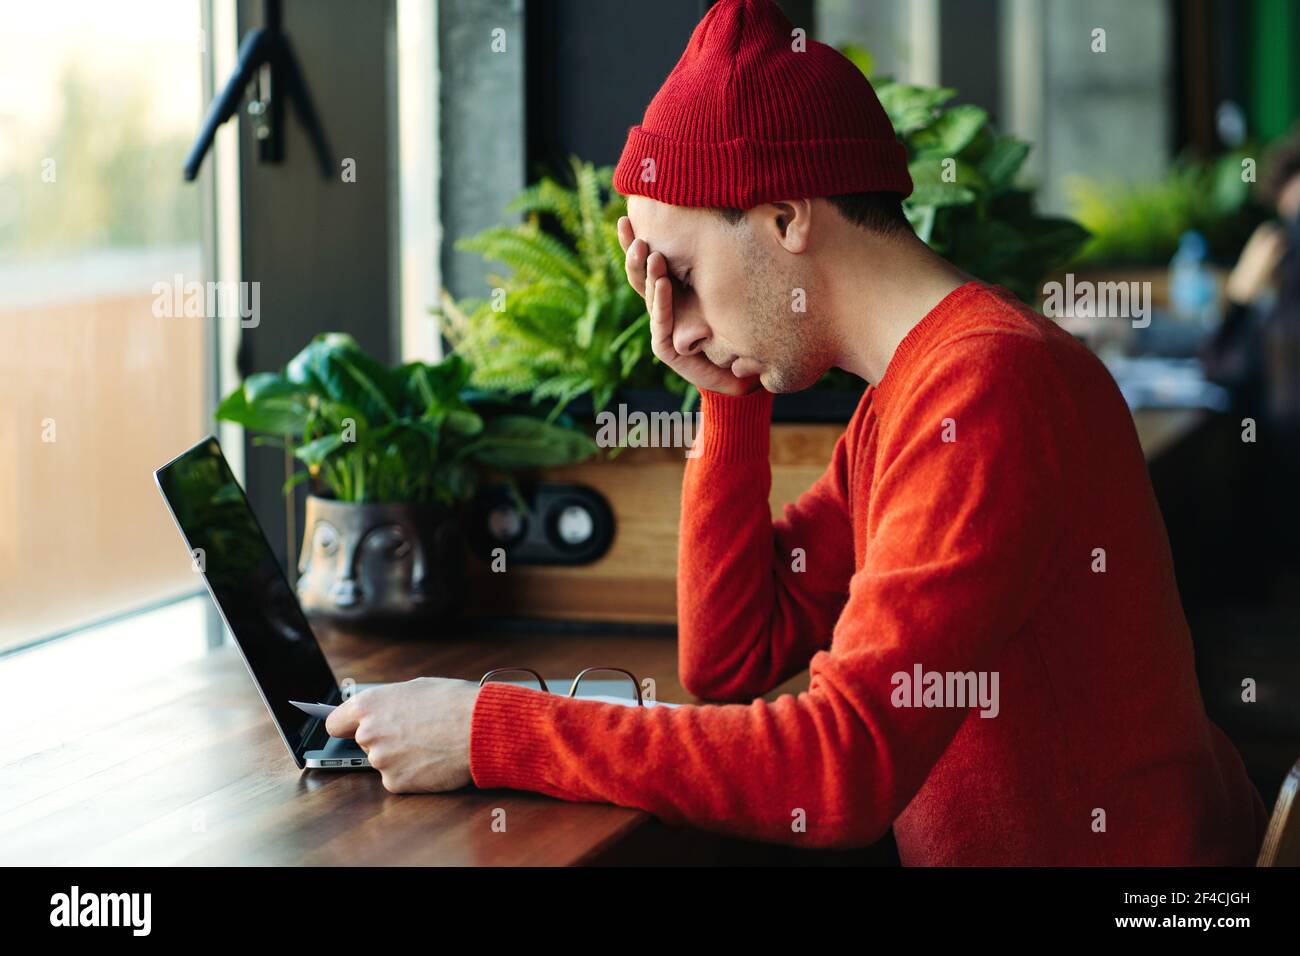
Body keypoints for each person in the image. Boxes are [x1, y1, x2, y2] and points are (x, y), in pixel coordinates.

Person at [325, 0, 1265, 864]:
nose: (670, 323)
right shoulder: (917, 389)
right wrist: (727, 390)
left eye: (680, 273)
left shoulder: (983, 392)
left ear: (784, 218)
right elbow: (732, 657)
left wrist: (491, 730)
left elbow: (836, 770)